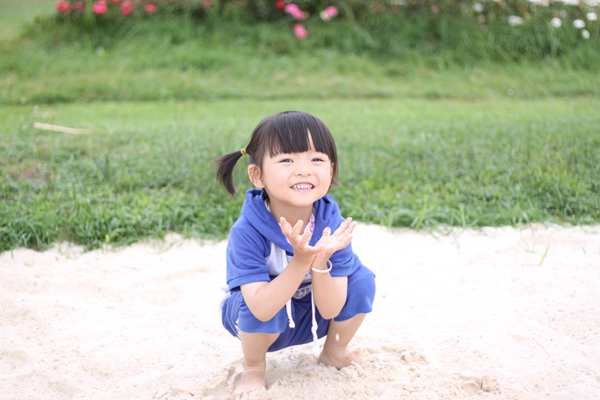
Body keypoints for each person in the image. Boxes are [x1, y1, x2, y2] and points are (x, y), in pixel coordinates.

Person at [216, 111, 376, 394]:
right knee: (251, 304)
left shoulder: (332, 226)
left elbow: (331, 309)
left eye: (316, 159)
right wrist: (301, 261)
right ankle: (253, 368)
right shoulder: (247, 231)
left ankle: (334, 352)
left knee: (362, 280)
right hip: (260, 320)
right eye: (287, 160)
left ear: (331, 170)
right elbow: (261, 308)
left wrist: (320, 263)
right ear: (257, 175)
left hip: (312, 312)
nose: (304, 170)